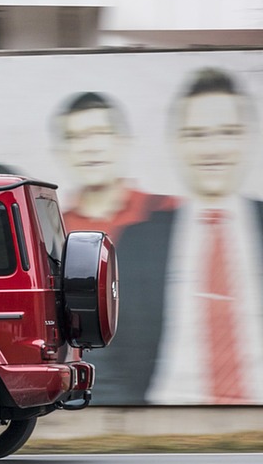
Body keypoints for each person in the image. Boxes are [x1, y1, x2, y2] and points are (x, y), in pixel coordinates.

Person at [97, 67, 263, 405]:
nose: (212, 149)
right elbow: (105, 347)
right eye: (196, 135)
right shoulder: (137, 242)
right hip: (166, 416)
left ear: (249, 137)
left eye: (227, 132)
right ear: (176, 143)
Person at [52, 91, 178, 243]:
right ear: (61, 153)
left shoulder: (165, 210)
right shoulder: (54, 231)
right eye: (75, 137)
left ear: (124, 142)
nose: (90, 147)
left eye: (100, 133)